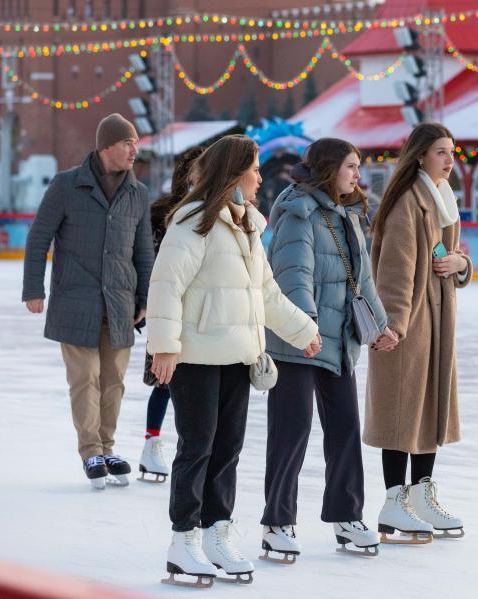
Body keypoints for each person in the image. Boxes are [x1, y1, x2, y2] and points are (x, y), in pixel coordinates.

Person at [147, 134, 321, 586]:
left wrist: (304, 331)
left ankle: (216, 532)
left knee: (227, 451)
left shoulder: (247, 225)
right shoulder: (194, 220)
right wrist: (164, 346)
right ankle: (183, 540)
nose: (261, 177)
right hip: (196, 355)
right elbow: (166, 284)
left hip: (238, 356)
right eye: (256, 168)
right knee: (197, 449)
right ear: (234, 171)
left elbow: (265, 292)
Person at [260, 138, 394, 562]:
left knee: (344, 429)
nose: (358, 175)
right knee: (292, 430)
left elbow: (363, 282)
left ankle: (346, 516)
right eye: (351, 166)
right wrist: (305, 326)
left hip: (338, 342)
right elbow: (293, 273)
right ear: (329, 168)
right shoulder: (298, 212)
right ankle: (277, 521)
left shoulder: (349, 214)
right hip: (298, 341)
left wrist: (380, 327)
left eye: (358, 166)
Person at [22, 113, 153, 490]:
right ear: (107, 145)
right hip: (75, 300)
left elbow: (144, 251)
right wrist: (34, 289)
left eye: (135, 143)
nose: (134, 150)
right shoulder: (67, 185)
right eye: (128, 143)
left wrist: (145, 298)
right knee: (85, 379)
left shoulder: (138, 193)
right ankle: (91, 451)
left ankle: (108, 447)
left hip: (120, 303)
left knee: (113, 383)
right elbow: (38, 238)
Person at [366, 123, 472, 543]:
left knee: (427, 405)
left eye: (452, 151)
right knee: (400, 406)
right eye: (442, 152)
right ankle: (394, 499)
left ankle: (422, 492)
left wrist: (461, 266)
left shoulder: (443, 200)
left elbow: (451, 257)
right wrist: (394, 324)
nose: (450, 160)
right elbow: (395, 269)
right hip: (408, 321)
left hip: (437, 318)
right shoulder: (407, 203)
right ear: (420, 156)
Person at [138, 146, 204, 483]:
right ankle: (152, 443)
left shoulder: (221, 212)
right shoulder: (161, 214)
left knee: (198, 384)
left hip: (206, 313)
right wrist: (144, 302)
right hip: (167, 307)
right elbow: (147, 262)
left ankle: (195, 447)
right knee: (165, 379)